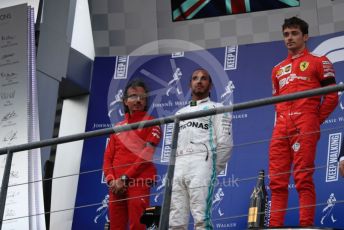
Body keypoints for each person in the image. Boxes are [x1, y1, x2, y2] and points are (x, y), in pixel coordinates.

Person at [269, 16, 338, 227]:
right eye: (286, 34)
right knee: (277, 182)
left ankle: (305, 226)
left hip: (305, 123)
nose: (289, 38)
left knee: (302, 178)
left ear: (305, 36)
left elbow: (333, 96)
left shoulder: (319, 60)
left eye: (294, 33)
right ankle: (274, 226)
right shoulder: (277, 69)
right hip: (281, 126)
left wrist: (313, 120)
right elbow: (276, 102)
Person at [169, 68, 233, 229]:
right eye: (195, 78)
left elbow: (225, 144)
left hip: (202, 163)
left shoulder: (218, 108)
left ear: (210, 86)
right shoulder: (179, 113)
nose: (199, 81)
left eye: (203, 78)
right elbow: (172, 146)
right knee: (175, 219)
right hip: (179, 166)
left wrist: (212, 168)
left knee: (201, 216)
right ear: (190, 84)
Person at [103, 79, 161, 230]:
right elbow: (108, 158)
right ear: (125, 101)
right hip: (116, 186)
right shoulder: (118, 127)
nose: (138, 100)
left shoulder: (152, 122)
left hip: (138, 182)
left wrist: (124, 178)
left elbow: (146, 154)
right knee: (116, 227)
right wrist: (111, 181)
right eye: (134, 96)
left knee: (138, 225)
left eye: (142, 97)